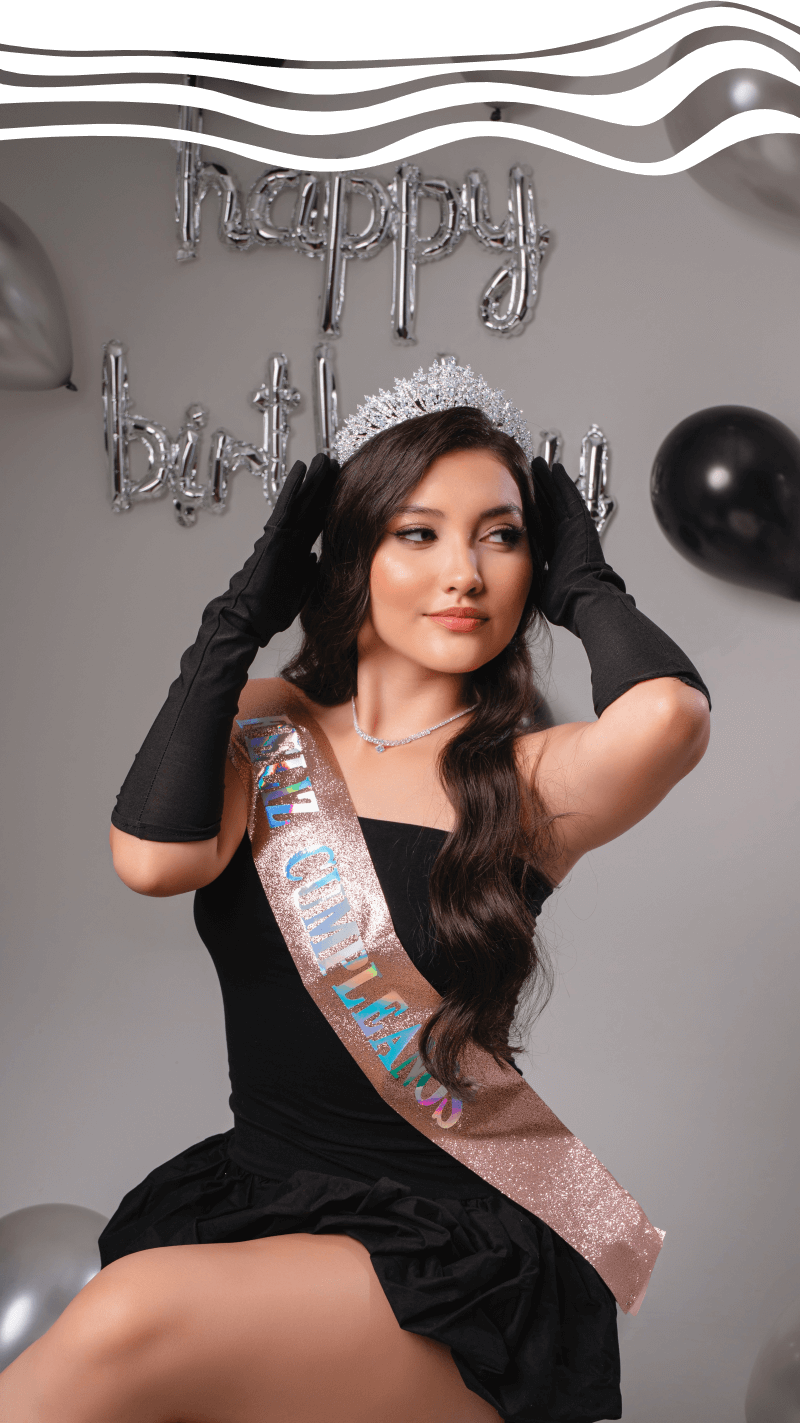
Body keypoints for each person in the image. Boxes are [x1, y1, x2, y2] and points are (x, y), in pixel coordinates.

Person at [0, 364, 710, 1423]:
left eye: (502, 537)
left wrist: (584, 585)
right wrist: (237, 617)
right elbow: (152, 858)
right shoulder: (264, 724)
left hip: (445, 1260)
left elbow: (669, 719)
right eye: (418, 533)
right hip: (260, 1200)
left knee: (126, 1316)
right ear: (349, 553)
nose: (464, 573)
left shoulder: (527, 776)